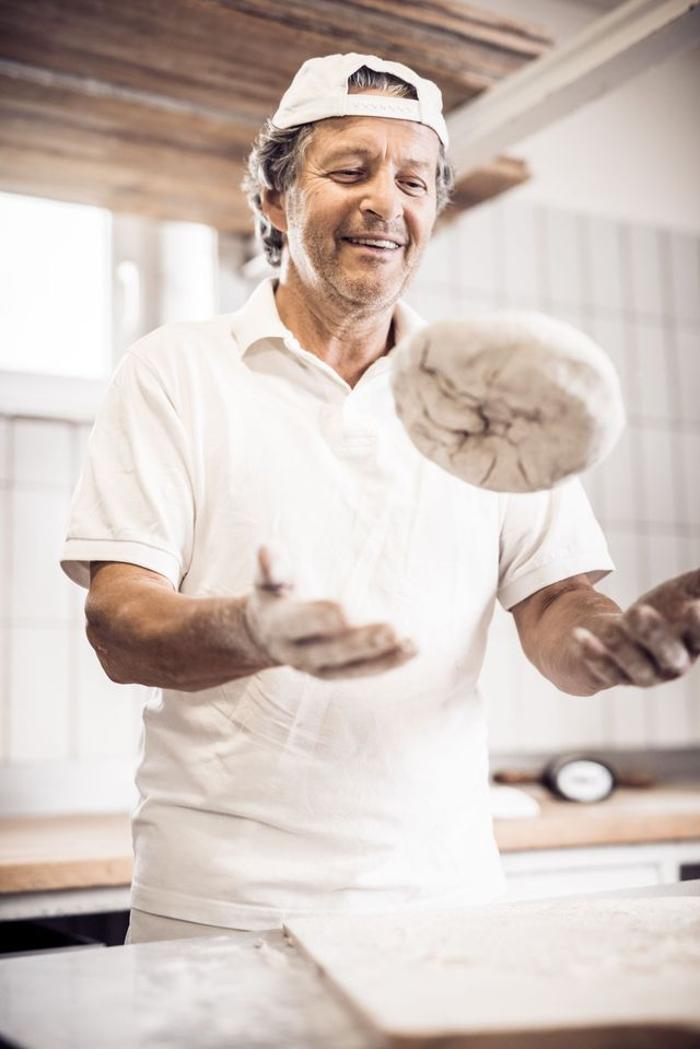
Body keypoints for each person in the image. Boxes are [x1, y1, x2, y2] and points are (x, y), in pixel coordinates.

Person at [60, 53, 699, 945]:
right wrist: (253, 629)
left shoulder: (493, 383)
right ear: (277, 200)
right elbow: (119, 625)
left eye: (413, 181)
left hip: (445, 895)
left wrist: (618, 641)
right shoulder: (176, 369)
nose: (384, 203)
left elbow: (556, 607)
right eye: (349, 170)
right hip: (219, 904)